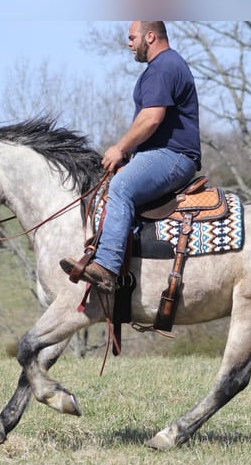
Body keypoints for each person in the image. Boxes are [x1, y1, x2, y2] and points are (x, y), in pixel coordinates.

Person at [60, 21, 202, 293]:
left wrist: (121, 148)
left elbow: (151, 119)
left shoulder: (163, 66)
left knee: (121, 187)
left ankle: (107, 268)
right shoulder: (163, 66)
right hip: (161, 154)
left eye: (131, 37)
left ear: (150, 36)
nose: (128, 43)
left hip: (172, 156)